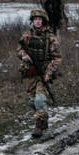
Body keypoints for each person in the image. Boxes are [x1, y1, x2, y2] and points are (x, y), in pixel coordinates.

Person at [17, 8, 61, 138]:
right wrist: (24, 56)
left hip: (44, 72)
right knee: (31, 101)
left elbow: (57, 58)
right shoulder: (26, 36)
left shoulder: (50, 37)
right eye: (35, 19)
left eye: (40, 19)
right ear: (32, 21)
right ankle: (44, 119)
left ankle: (38, 125)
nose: (37, 21)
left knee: (39, 100)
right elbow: (18, 50)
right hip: (30, 72)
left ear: (44, 21)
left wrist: (49, 72)